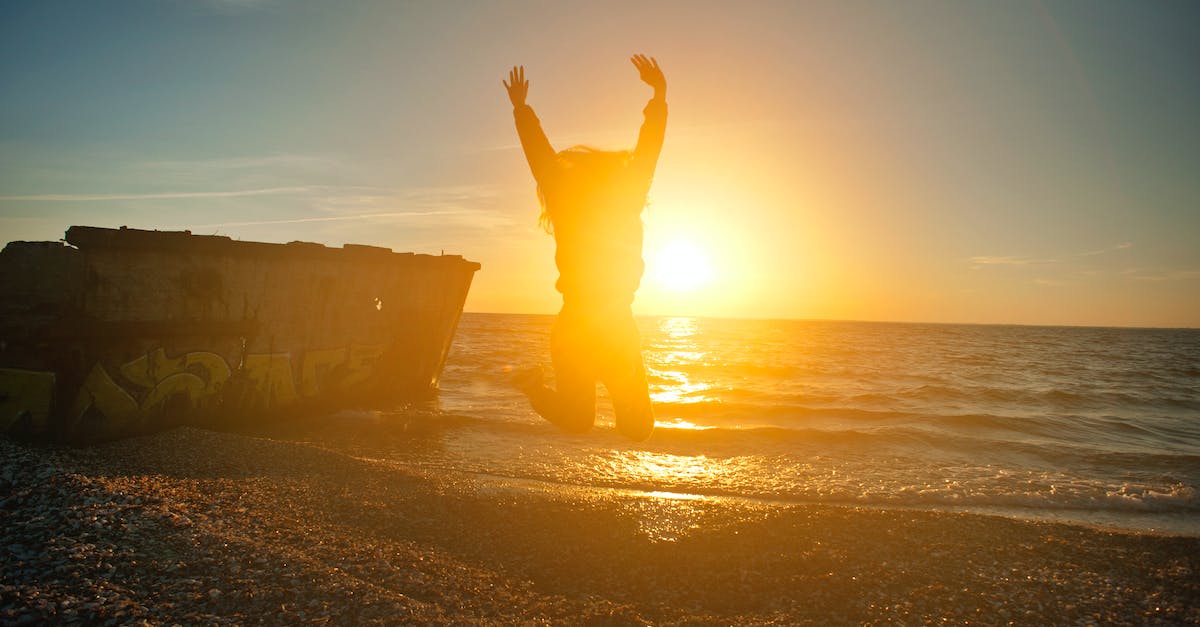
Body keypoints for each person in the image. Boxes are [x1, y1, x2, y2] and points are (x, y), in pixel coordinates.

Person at [503, 54, 667, 441]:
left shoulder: (578, 200)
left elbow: (542, 159)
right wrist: (658, 95)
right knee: (601, 423)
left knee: (631, 427)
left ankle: (533, 387)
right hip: (600, 325)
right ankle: (533, 386)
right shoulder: (613, 199)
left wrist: (522, 109)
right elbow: (648, 151)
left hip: (594, 325)